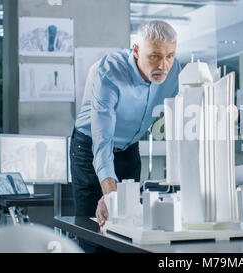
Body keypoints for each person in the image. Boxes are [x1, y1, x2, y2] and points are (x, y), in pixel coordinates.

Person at [70, 20, 181, 252]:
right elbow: (102, 142)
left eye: (170, 55)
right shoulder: (108, 73)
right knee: (95, 231)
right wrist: (110, 194)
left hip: (130, 148)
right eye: (155, 56)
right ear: (136, 50)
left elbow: (181, 115)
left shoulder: (175, 70)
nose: (164, 65)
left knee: (128, 226)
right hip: (91, 148)